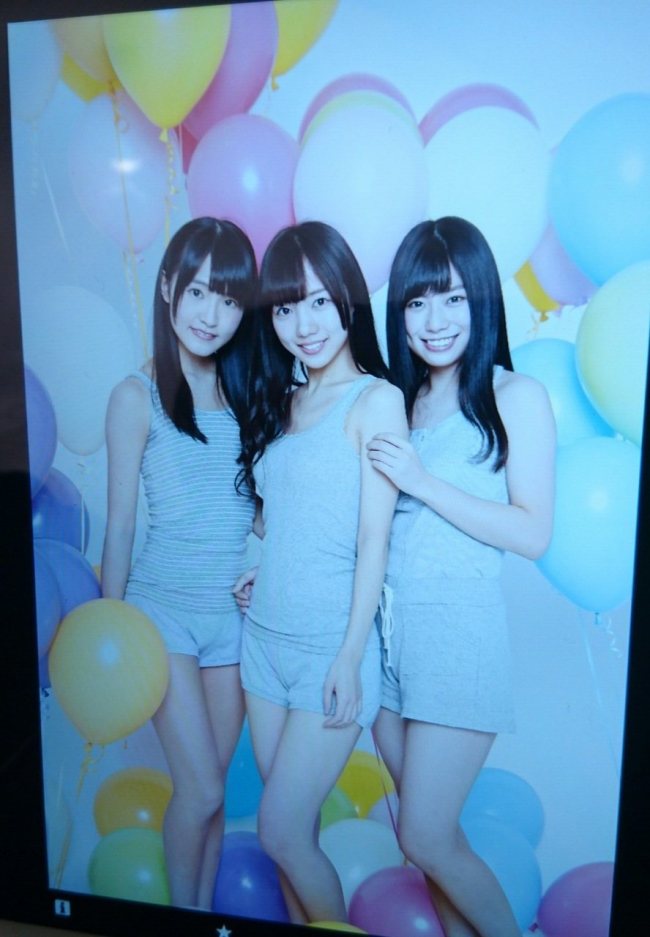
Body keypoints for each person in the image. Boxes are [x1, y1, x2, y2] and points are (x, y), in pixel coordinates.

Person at [367, 217, 556, 937]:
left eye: (452, 298)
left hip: (458, 643)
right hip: (387, 648)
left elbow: (532, 532)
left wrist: (423, 480)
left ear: (482, 298)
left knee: (424, 834)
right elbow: (373, 526)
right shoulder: (398, 400)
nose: (435, 320)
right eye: (417, 302)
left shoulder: (515, 396)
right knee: (430, 845)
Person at [234, 221, 407, 925]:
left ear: (347, 300)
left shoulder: (376, 400)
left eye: (317, 303)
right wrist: (261, 567)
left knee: (277, 831)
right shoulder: (284, 400)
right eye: (284, 308)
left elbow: (374, 538)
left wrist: (349, 655)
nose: (302, 325)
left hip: (327, 653)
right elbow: (282, 514)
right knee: (290, 839)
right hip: (262, 645)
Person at [101, 217, 257, 910]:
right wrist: (112, 636)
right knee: (201, 788)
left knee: (213, 795)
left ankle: (202, 917)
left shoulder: (245, 392)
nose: (211, 315)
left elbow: (257, 512)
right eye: (198, 292)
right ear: (167, 287)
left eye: (228, 299)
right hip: (162, 615)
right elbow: (120, 525)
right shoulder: (134, 396)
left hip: (231, 623)